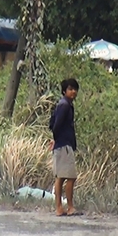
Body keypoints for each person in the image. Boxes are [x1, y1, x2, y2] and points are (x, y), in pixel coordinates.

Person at [50, 79, 81, 217]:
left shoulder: (62, 104)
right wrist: (57, 138)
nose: (73, 91)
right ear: (64, 91)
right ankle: (69, 207)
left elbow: (51, 122)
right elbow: (56, 125)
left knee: (61, 177)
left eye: (75, 89)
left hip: (62, 144)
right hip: (64, 145)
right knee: (70, 176)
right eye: (70, 89)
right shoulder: (64, 105)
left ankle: (60, 208)